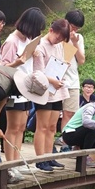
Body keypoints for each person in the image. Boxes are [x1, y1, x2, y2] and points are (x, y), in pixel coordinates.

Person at [0, 7, 47, 167]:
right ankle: (10, 164)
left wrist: (37, 56)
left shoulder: (28, 41)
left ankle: (17, 162)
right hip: (13, 89)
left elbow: (36, 68)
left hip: (26, 88)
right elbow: (3, 68)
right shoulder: (12, 41)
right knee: (12, 127)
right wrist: (17, 63)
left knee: (21, 128)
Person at [32, 19, 70, 172]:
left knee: (52, 126)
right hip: (44, 91)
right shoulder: (40, 46)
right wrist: (53, 81)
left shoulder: (60, 46)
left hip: (57, 90)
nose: (59, 41)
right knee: (42, 126)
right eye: (58, 37)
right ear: (51, 30)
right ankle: (40, 159)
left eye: (62, 39)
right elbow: (38, 73)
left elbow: (61, 63)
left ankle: (49, 156)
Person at [60, 10, 86, 130]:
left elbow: (81, 60)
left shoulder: (78, 38)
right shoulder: (57, 34)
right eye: (73, 27)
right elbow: (62, 58)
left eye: (77, 28)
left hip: (72, 80)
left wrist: (75, 43)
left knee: (70, 113)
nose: (74, 31)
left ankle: (65, 143)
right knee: (53, 114)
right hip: (57, 79)